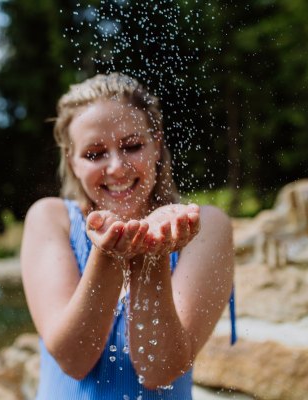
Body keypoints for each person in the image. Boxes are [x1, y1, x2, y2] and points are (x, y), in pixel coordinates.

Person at [20, 73, 235, 400]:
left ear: (157, 144)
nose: (118, 167)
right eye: (95, 154)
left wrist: (153, 252)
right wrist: (108, 254)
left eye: (132, 146)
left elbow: (159, 371)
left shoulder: (206, 226)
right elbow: (73, 360)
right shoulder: (50, 219)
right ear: (72, 161)